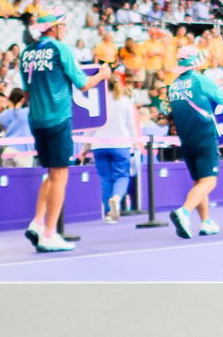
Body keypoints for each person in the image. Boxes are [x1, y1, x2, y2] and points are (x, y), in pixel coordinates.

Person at [19, 15, 110, 252]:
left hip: (36, 120)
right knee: (61, 176)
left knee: (51, 173)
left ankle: (37, 221)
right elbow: (83, 84)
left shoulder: (26, 52)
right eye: (63, 26)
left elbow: (26, 92)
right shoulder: (61, 49)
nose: (66, 30)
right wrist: (102, 75)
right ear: (55, 28)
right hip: (58, 119)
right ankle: (50, 233)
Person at [166, 46, 223, 239]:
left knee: (199, 181)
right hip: (205, 135)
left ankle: (206, 222)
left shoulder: (173, 86)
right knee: (209, 180)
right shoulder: (200, 80)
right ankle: (184, 212)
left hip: (186, 139)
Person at [88, 69, 141, 223]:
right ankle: (117, 198)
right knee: (122, 176)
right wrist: (136, 142)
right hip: (121, 144)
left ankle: (109, 214)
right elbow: (131, 125)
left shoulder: (97, 103)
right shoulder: (125, 101)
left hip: (99, 144)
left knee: (105, 180)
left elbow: (91, 128)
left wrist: (85, 147)